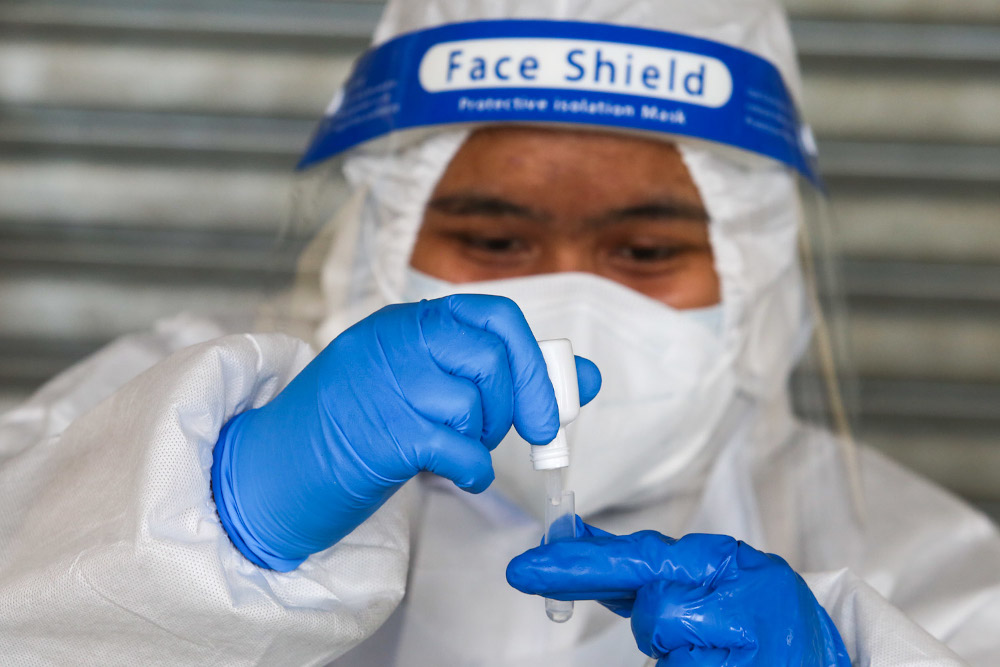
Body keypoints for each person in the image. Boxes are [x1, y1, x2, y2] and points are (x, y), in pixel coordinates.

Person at [1, 1, 998, 665]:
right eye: (492, 236)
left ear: (754, 262)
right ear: (382, 237)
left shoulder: (921, 568)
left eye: (645, 250)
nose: (563, 306)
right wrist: (206, 517)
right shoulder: (173, 416)